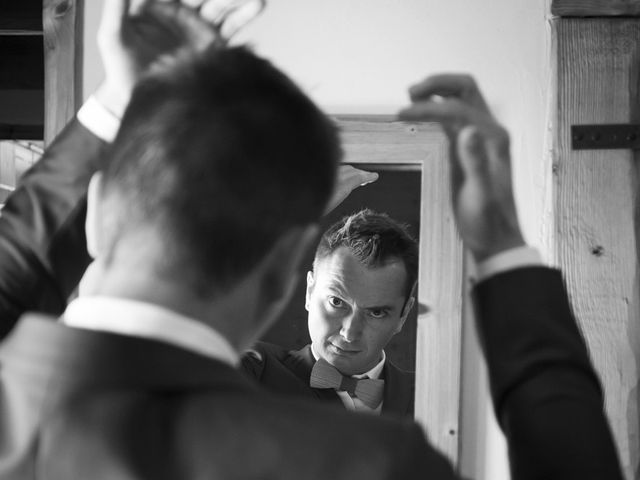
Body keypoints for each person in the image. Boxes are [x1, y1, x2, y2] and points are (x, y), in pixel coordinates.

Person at [0, 1, 623, 479]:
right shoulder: (376, 464)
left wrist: (118, 100)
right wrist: (502, 245)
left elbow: (18, 262)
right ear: (290, 280)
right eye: (337, 301)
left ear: (97, 207)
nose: (352, 329)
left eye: (378, 311)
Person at [243, 208, 419, 417]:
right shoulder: (254, 370)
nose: (350, 333)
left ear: (404, 314)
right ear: (310, 292)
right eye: (336, 302)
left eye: (376, 312)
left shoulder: (434, 397)